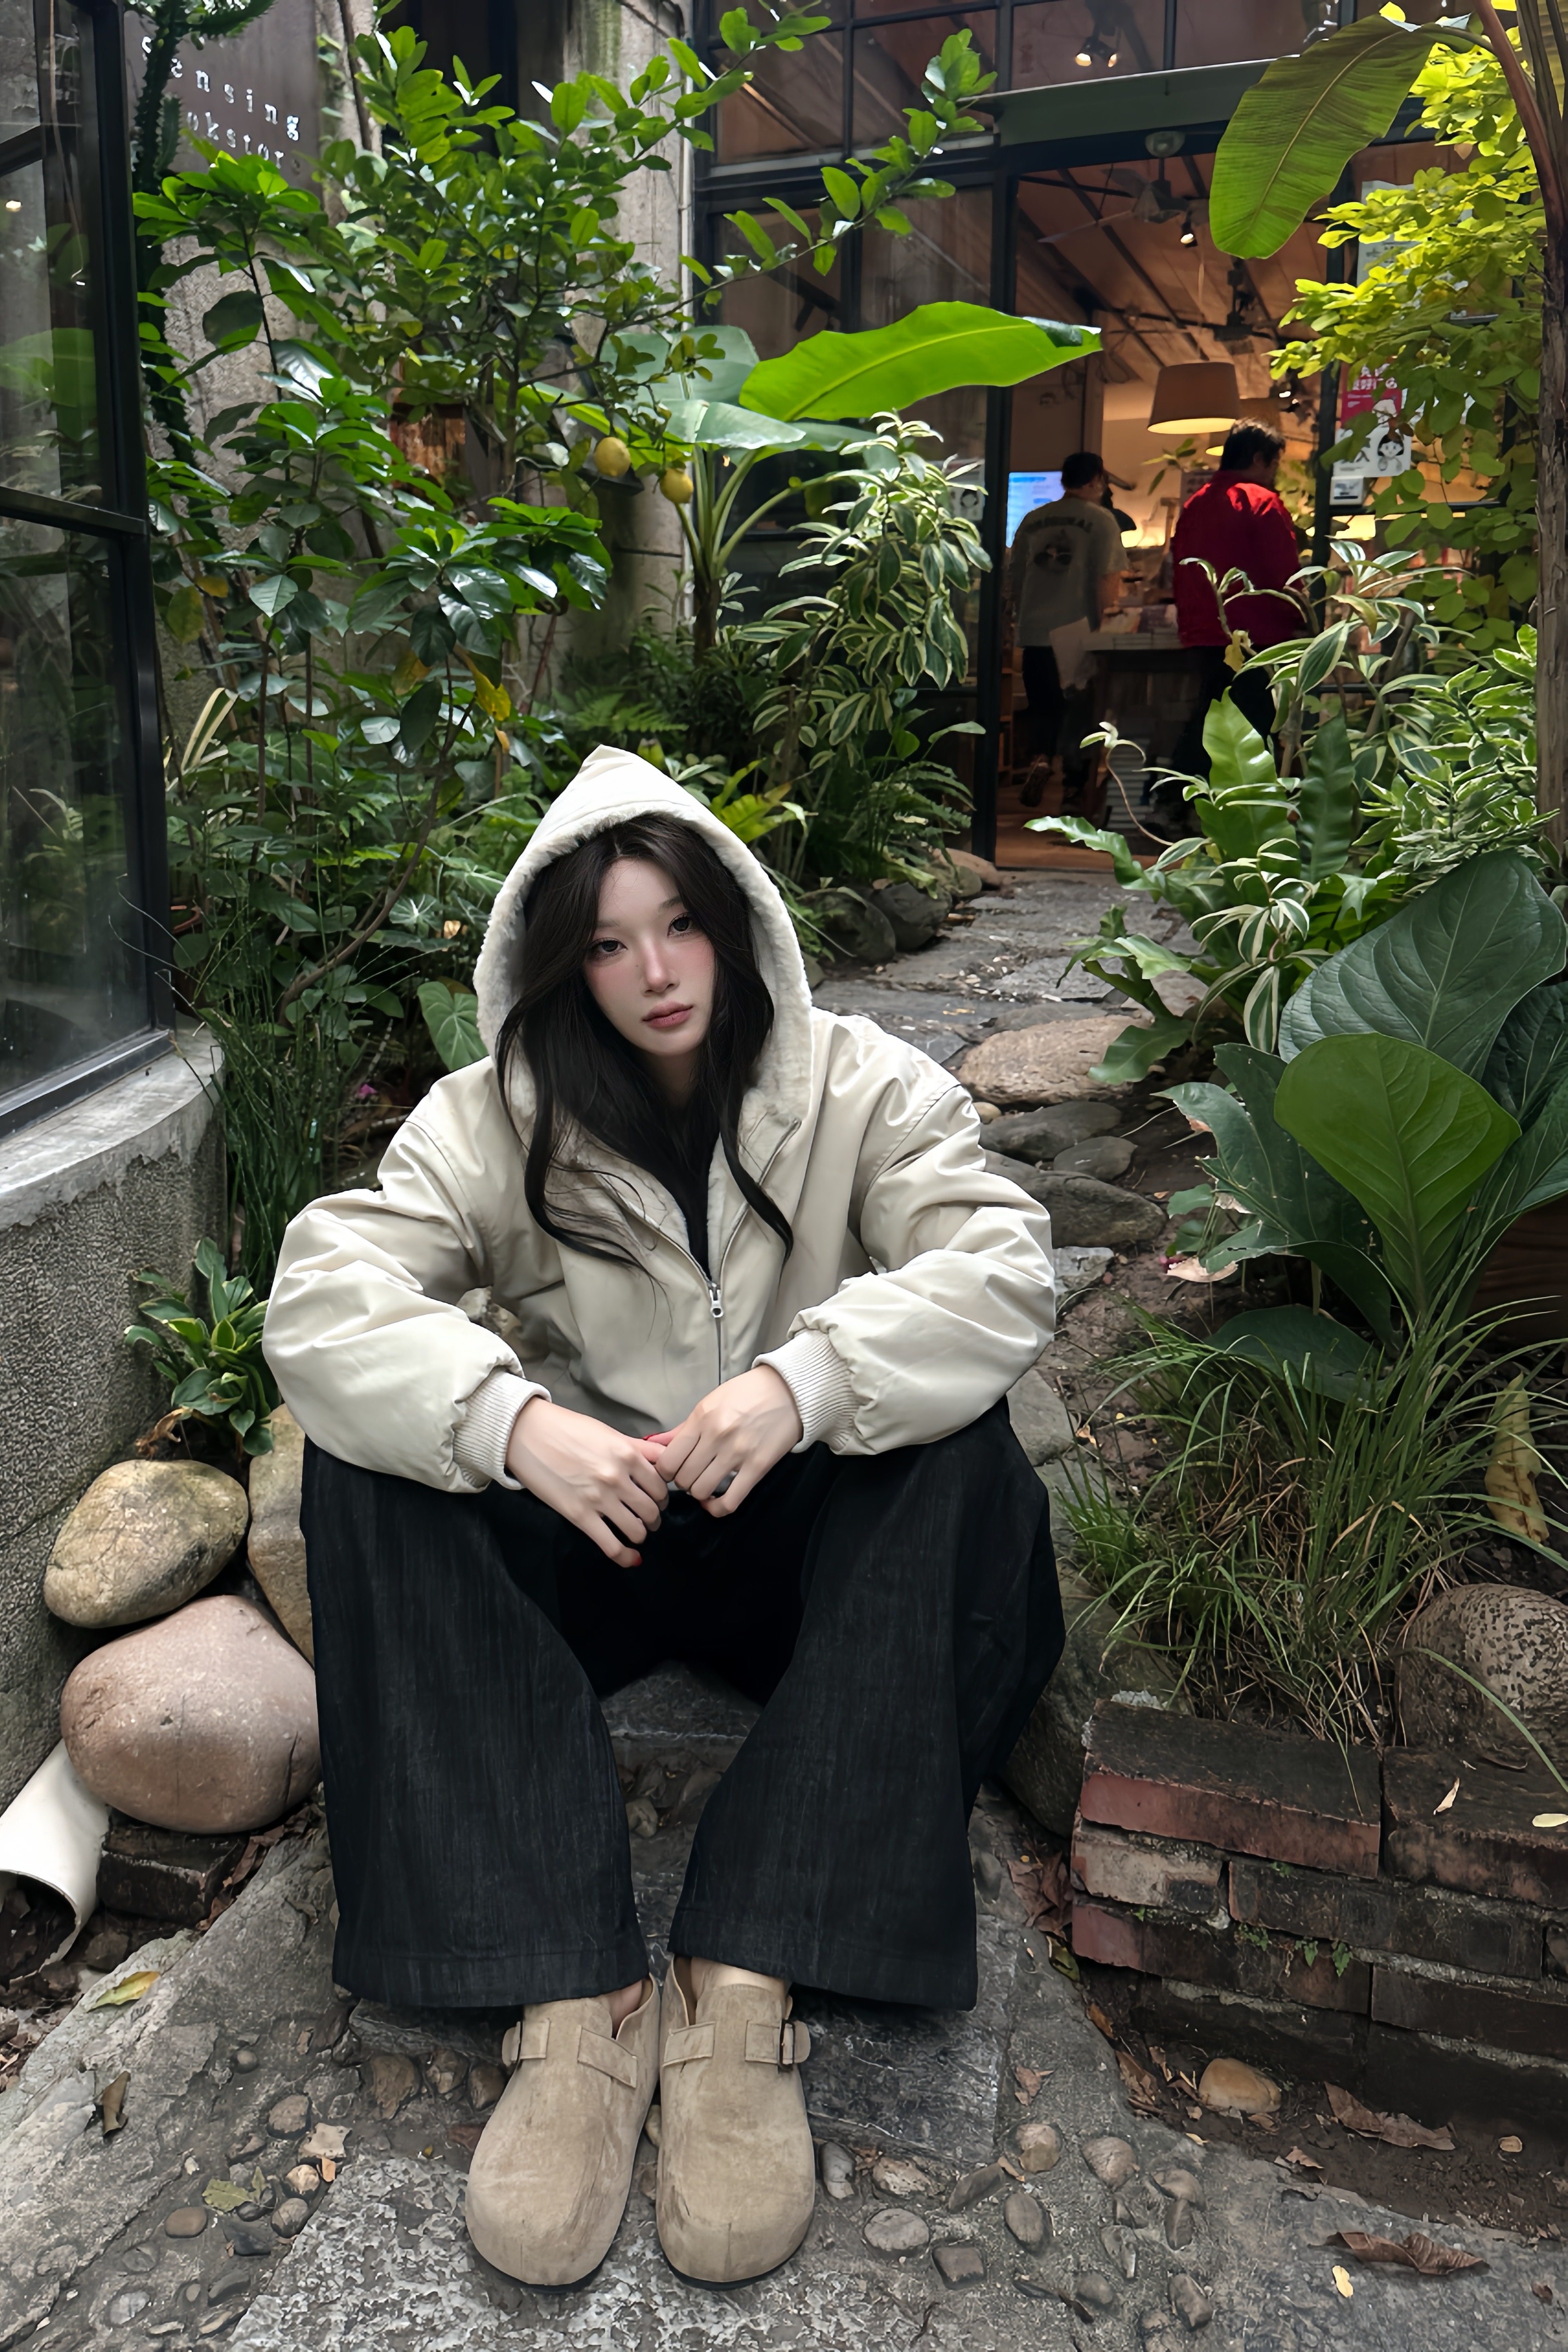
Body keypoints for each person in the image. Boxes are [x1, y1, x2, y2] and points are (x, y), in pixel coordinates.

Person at [264, 749, 1063, 2293]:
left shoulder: (863, 1086)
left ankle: (739, 1970)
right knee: (368, 1460)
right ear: (563, 966)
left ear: (735, 922)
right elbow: (322, 1297)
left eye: (680, 924)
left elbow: (1002, 1265)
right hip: (604, 1538)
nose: (654, 972)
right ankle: (574, 1996)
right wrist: (513, 1423)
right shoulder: (491, 1118)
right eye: (609, 943)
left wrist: (805, 1383)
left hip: (791, 1553)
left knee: (965, 1457)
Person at [1165, 418, 1302, 801]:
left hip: (1203, 632)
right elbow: (1283, 574)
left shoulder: (1195, 504)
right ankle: (1193, 802)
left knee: (1214, 718)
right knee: (1251, 726)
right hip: (1255, 634)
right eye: (1274, 464)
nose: (1274, 474)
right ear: (1259, 459)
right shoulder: (1261, 502)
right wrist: (1302, 618)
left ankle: (1178, 803)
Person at [1006, 450, 1126, 808]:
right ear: (1096, 481)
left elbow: (1016, 577)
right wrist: (1105, 628)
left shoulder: (1032, 520)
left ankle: (1041, 758)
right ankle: (1074, 789)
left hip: (1034, 632)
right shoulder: (1102, 521)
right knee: (1079, 714)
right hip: (1077, 632)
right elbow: (1107, 579)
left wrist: (1019, 617)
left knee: (1043, 708)